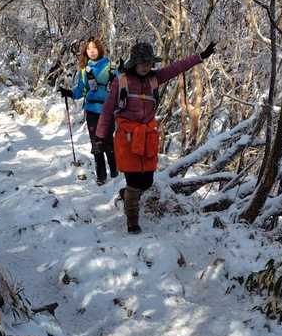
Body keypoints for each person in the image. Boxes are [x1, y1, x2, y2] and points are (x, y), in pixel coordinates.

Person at [96, 39, 217, 234]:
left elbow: (177, 68)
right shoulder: (122, 81)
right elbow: (108, 109)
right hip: (127, 138)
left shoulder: (154, 78)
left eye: (149, 63)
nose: (146, 66)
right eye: (142, 63)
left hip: (148, 138)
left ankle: (126, 195)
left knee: (146, 182)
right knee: (134, 181)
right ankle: (132, 222)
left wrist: (200, 56)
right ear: (134, 63)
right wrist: (101, 137)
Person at [58, 37, 118, 184]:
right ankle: (101, 177)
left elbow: (120, 87)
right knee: (96, 144)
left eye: (94, 48)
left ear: (99, 49)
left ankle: (115, 173)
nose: (91, 51)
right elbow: (80, 90)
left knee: (108, 142)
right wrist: (69, 93)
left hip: (107, 110)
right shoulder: (85, 70)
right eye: (89, 48)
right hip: (91, 110)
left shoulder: (110, 67)